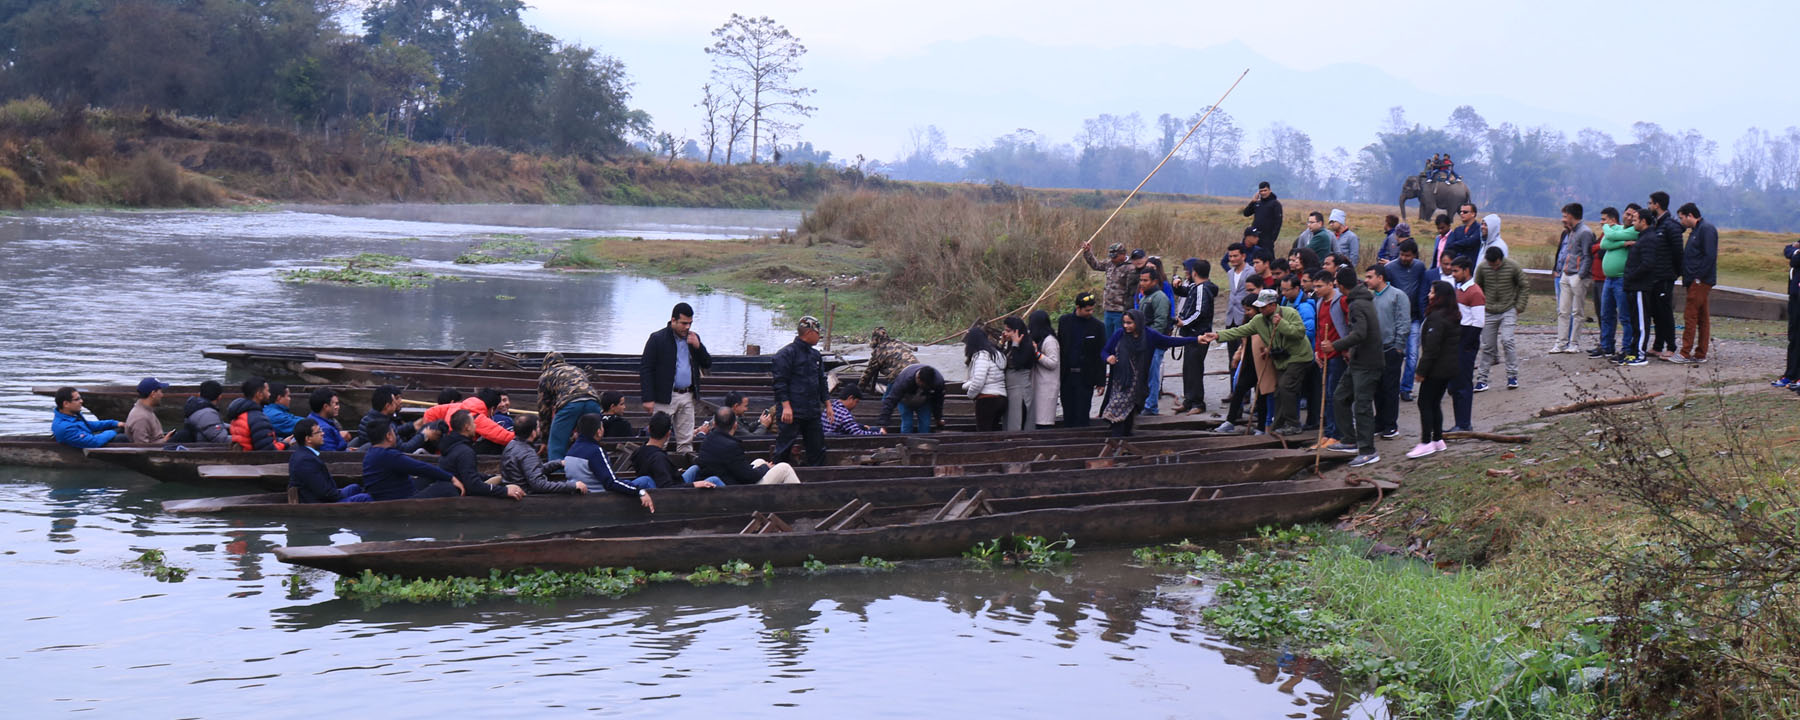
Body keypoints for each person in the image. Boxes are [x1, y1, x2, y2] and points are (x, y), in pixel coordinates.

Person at [1201, 289, 1314, 435]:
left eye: (1264, 306)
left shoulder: (1289, 313)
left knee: (1286, 387)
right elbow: (1240, 331)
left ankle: (1293, 424)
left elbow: (1299, 333)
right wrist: (1217, 335)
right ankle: (1277, 425)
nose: (1260, 309)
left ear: (1273, 305)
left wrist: (1281, 324)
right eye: (1259, 306)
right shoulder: (1258, 320)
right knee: (1278, 391)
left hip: (1299, 357)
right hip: (1281, 359)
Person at [1100, 308, 1200, 436]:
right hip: (1121, 381)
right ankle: (1117, 440)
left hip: (1138, 381)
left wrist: (1195, 339)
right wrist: (1108, 358)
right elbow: (1104, 351)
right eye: (1124, 323)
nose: (1126, 326)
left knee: (1130, 410)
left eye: (1129, 323)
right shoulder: (1119, 334)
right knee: (1117, 409)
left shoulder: (1149, 335)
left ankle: (1125, 439)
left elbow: (1170, 341)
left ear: (1138, 322)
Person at [1320, 268, 1383, 467]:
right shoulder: (1358, 301)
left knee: (1363, 406)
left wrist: (1335, 346)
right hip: (1357, 361)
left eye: (1336, 282)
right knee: (1340, 397)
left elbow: (1360, 334)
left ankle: (1368, 450)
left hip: (1368, 362)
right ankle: (1350, 439)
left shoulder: (1357, 304)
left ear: (1340, 285)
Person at [640, 302, 712, 453]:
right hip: (665, 397)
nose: (687, 327)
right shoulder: (657, 339)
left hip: (687, 395)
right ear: (673, 320)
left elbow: (707, 363)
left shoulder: (693, 338)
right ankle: (656, 470)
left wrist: (699, 347)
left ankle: (683, 471)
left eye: (690, 323)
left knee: (686, 441)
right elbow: (646, 369)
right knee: (660, 440)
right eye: (684, 323)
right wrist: (648, 398)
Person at [1408, 281, 1462, 458]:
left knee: (1424, 403)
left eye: (1432, 292)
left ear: (1440, 296)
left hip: (1436, 369)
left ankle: (1425, 442)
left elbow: (1431, 349)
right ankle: (1438, 439)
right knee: (1434, 402)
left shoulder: (1436, 318)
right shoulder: (1452, 315)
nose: (1429, 295)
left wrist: (1421, 371)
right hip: (1448, 368)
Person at [771, 315, 829, 466]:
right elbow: (780, 382)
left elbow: (822, 381)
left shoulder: (815, 355)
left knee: (817, 449)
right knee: (784, 448)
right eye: (818, 334)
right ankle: (778, 479)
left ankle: (815, 481)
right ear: (809, 333)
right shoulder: (785, 354)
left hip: (812, 410)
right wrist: (786, 406)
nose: (819, 337)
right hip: (792, 410)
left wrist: (828, 404)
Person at [429, 410, 524, 500]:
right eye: (473, 423)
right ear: (467, 427)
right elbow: (473, 486)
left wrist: (492, 477)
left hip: (448, 490)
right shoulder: (465, 452)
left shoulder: (451, 446)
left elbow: (464, 473)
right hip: (454, 496)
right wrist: (505, 491)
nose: (475, 425)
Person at [563, 413, 653, 509]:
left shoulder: (571, 450)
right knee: (646, 480)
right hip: (599, 498)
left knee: (633, 482)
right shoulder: (595, 451)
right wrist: (639, 491)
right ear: (599, 432)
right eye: (602, 426)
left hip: (580, 496)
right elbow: (611, 482)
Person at [358, 418, 457, 501]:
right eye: (393, 432)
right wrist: (451, 478)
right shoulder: (389, 455)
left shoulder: (371, 453)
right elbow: (421, 468)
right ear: (389, 436)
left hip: (393, 494)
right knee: (447, 487)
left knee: (429, 477)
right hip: (401, 501)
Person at [698, 408, 801, 485]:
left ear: (715, 424)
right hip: (735, 491)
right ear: (735, 425)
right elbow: (749, 477)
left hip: (727, 480)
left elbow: (740, 470)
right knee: (785, 468)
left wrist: (763, 466)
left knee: (759, 461)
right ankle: (802, 501)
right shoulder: (731, 446)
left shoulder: (708, 440)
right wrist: (766, 468)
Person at [1473, 246, 1527, 391]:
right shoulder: (1482, 268)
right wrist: (1478, 307)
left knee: (1507, 340)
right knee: (1487, 346)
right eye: (1491, 264)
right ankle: (1482, 379)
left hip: (1508, 309)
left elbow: (1524, 285)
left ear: (1500, 260)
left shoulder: (1513, 266)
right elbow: (1477, 288)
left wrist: (1519, 307)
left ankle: (1512, 376)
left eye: (1496, 264)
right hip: (1488, 311)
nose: (1493, 267)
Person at [1367, 265, 1410, 440]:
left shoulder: (1397, 295)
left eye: (1370, 277)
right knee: (1377, 388)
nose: (1367, 280)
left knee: (1390, 388)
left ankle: (1391, 425)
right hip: (1375, 350)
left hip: (1392, 348)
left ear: (1381, 277)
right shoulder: (1371, 298)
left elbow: (1404, 321)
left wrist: (1399, 345)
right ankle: (1380, 421)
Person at [537, 351, 602, 461]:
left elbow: (544, 411)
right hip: (593, 402)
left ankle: (557, 474)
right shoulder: (577, 370)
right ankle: (592, 468)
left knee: (557, 444)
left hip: (570, 403)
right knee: (590, 441)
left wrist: (544, 440)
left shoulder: (546, 375)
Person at [288, 418, 371, 503]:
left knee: (355, 488)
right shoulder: (306, 460)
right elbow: (325, 493)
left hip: (327, 496)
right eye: (319, 432)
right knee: (365, 498)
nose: (323, 433)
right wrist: (339, 495)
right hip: (320, 505)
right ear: (308, 439)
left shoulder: (304, 454)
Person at [500, 414, 587, 494]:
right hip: (528, 497)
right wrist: (573, 485)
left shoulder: (511, 445)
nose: (539, 429)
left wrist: (559, 463)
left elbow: (533, 471)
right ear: (533, 433)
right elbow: (539, 485)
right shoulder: (527, 453)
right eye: (538, 427)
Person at [1173, 259, 1217, 414]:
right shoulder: (1195, 286)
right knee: (1188, 368)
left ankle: (1198, 403)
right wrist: (1176, 285)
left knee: (1195, 369)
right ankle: (1188, 400)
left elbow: (1200, 312)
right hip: (1191, 335)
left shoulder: (1202, 289)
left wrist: (1183, 323)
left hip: (1199, 334)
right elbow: (1184, 291)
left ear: (1194, 273)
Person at [1551, 204, 1596, 354]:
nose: (1563, 219)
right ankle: (1561, 342)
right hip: (1566, 273)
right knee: (1563, 311)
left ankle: (1574, 343)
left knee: (1577, 311)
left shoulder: (1585, 233)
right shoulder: (1571, 232)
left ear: (1571, 216)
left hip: (1577, 276)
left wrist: (1580, 275)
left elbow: (1587, 256)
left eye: (1565, 216)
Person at [1057, 292, 1107, 428]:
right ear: (1078, 308)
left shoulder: (1098, 327)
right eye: (1087, 310)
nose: (1090, 312)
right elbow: (1060, 347)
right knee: (1068, 410)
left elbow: (1100, 355)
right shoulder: (1064, 322)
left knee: (1082, 412)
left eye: (1092, 310)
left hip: (1085, 376)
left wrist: (1101, 381)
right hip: (1067, 375)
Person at [1386, 239, 1427, 402]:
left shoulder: (1419, 267)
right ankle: (1391, 387)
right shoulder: (1389, 268)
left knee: (1412, 355)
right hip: (1394, 320)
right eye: (1402, 254)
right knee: (1394, 355)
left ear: (1414, 255)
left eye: (1408, 256)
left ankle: (1406, 388)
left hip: (1414, 318)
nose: (1404, 258)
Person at [637, 413, 724, 489]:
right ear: (668, 434)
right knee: (714, 480)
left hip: (668, 480)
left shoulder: (640, 451)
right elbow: (667, 488)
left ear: (649, 429)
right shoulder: (658, 458)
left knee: (695, 468)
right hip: (673, 493)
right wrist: (694, 485)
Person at [1676, 203, 1718, 364]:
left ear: (1690, 215)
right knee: (1702, 317)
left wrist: (1698, 278)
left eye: (1682, 218)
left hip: (1700, 281)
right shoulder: (1696, 231)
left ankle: (1685, 352)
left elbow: (1709, 256)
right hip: (1694, 280)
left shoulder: (1706, 229)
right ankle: (1701, 353)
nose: (1681, 222)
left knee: (1690, 315)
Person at [1594, 207, 1638, 360]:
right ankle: (1607, 346)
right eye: (1626, 214)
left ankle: (1626, 348)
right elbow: (1604, 244)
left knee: (1625, 316)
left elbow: (1609, 235)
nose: (1602, 223)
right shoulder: (1618, 230)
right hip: (1609, 279)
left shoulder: (1633, 231)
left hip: (1621, 279)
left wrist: (1607, 228)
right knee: (1606, 314)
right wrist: (1623, 243)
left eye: (1604, 220)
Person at [1647, 192, 1686, 359]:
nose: (1648, 206)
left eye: (1650, 203)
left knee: (1665, 312)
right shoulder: (1656, 225)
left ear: (1657, 204)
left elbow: (1678, 253)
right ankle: (1657, 345)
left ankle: (1671, 346)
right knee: (1655, 312)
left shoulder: (1671, 226)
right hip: (1654, 276)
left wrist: (1675, 273)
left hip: (1665, 276)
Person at [1449, 258, 1486, 431]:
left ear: (1466, 270)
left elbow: (1478, 322)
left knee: (1463, 384)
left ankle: (1464, 423)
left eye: (1456, 271)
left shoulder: (1475, 292)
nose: (1453, 274)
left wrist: (1465, 345)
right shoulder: (1459, 289)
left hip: (1466, 340)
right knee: (1455, 384)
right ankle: (1459, 422)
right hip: (1458, 339)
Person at [420, 387, 515, 453]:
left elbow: (430, 412)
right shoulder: (478, 418)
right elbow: (505, 438)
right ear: (492, 408)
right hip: (457, 451)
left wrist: (435, 438)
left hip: (444, 447)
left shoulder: (459, 406)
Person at [1311, 268, 1346, 447]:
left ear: (1331, 284)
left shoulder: (1341, 301)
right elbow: (1319, 329)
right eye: (1315, 286)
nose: (1316, 290)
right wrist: (1317, 351)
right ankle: (1328, 432)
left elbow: (1346, 327)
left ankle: (1337, 433)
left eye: (1319, 286)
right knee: (1326, 395)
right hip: (1324, 355)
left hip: (1338, 354)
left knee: (1334, 395)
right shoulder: (1319, 303)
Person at [1621, 208, 1659, 366]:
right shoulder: (1642, 237)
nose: (1632, 222)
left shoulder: (1649, 238)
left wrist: (1631, 276)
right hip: (1632, 286)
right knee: (1635, 322)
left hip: (1640, 287)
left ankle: (1641, 355)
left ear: (1644, 221)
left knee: (1642, 323)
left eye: (1635, 219)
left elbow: (1648, 264)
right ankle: (1633, 352)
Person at [1133, 267, 1174, 415]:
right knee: (1144, 374)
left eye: (1145, 280)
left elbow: (1160, 322)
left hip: (1154, 343)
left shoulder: (1159, 298)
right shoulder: (1145, 297)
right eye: (1141, 280)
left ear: (1155, 281)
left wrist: (1148, 340)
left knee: (1153, 375)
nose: (1142, 283)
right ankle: (1144, 404)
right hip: (1145, 342)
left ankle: (1151, 407)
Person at [1080, 240, 1137, 342]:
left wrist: (1128, 311)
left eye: (1115, 256)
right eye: (1111, 256)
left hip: (1121, 310)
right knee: (1107, 340)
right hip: (1108, 309)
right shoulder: (1109, 264)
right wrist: (1088, 252)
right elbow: (1096, 265)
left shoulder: (1130, 268)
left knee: (1119, 340)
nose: (1112, 259)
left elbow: (1131, 292)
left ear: (1123, 254)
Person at [351, 385, 436, 453]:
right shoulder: (383, 425)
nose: (397, 403)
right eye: (394, 402)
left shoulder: (369, 418)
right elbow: (403, 449)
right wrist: (424, 435)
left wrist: (412, 426)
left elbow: (394, 432)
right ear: (387, 406)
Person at [874, 364, 945, 433]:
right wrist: (883, 426)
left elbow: (938, 401)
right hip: (905, 400)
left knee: (925, 424)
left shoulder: (938, 381)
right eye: (923, 384)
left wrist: (938, 418)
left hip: (924, 401)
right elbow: (890, 401)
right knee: (907, 424)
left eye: (927, 385)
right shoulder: (904, 380)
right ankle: (904, 442)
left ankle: (924, 443)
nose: (925, 386)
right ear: (918, 378)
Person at [963, 323, 1008, 431]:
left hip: (987, 400)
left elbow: (979, 381)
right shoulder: (996, 353)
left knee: (984, 433)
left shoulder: (981, 356)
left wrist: (970, 395)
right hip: (1001, 398)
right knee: (994, 431)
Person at [51, 387, 122, 449]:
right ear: (66, 404)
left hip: (89, 437)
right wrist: (115, 431)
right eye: (77, 399)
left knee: (121, 430)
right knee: (123, 437)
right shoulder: (65, 428)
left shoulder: (73, 415)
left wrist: (114, 423)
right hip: (90, 444)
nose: (81, 401)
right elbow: (94, 442)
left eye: (80, 398)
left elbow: (88, 425)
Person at [226, 376, 285, 452]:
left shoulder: (240, 412)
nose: (270, 394)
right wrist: (285, 444)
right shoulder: (257, 418)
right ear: (259, 395)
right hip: (254, 460)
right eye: (267, 391)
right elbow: (268, 451)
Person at [1025, 310, 1062, 429]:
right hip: (1038, 385)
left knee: (1044, 420)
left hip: (1047, 386)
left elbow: (1053, 363)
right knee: (1037, 420)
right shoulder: (1039, 339)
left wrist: (1036, 353)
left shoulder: (1050, 341)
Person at [999, 315, 1036, 431]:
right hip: (1009, 390)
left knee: (1017, 422)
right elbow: (999, 361)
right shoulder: (1010, 346)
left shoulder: (1028, 346)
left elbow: (1018, 363)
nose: (1005, 333)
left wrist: (1015, 344)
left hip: (1020, 391)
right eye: (1005, 330)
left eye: (1008, 331)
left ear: (1017, 331)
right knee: (1008, 421)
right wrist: (1002, 343)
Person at [857, 327, 919, 395]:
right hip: (918, 370)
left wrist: (858, 390)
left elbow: (868, 374)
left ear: (875, 339)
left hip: (901, 377)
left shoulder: (878, 352)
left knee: (887, 400)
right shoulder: (897, 343)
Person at [176, 380, 231, 444]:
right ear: (219, 397)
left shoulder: (197, 408)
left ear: (199, 394)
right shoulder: (207, 414)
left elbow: (212, 425)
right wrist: (243, 439)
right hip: (204, 448)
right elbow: (221, 439)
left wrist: (232, 427)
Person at [123, 376, 172, 444]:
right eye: (160, 391)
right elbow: (142, 448)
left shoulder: (146, 410)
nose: (162, 395)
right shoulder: (141, 418)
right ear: (153, 394)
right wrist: (165, 440)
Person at [1782, 238, 1800, 387]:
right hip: (1795, 293)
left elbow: (1795, 260)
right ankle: (1791, 374)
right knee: (1793, 335)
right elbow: (1787, 250)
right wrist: (1795, 251)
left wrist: (1795, 253)